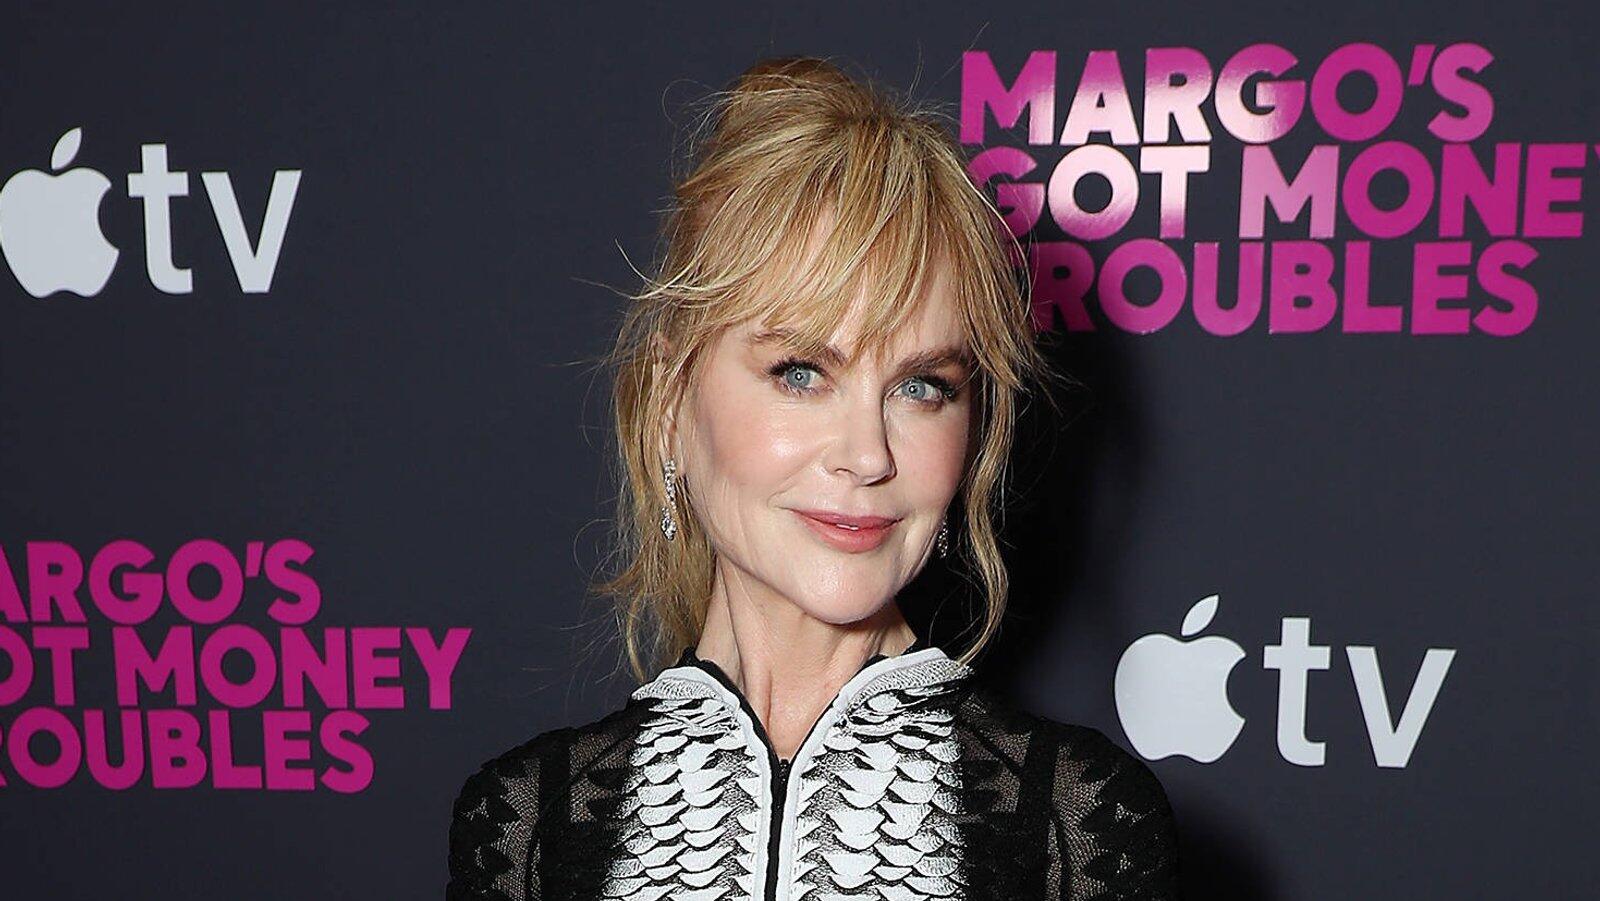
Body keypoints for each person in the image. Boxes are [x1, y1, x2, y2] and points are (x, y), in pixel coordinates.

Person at [447, 55, 1182, 900]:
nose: (868, 454)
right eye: (801, 372)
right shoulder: (527, 823)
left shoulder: (1077, 824)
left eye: (922, 386)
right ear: (670, 399)